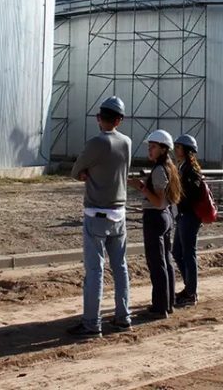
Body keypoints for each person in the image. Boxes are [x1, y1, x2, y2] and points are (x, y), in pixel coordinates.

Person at [67, 96, 132, 338]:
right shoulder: (126, 142)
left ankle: (92, 324)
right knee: (120, 267)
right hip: (120, 214)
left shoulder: (96, 142)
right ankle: (123, 316)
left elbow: (76, 170)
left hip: (96, 214)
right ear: (119, 120)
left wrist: (85, 172)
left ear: (99, 118)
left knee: (95, 271)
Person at [129, 129, 182, 319]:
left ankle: (160, 307)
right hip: (165, 217)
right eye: (149, 147)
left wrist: (141, 187)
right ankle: (168, 303)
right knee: (165, 261)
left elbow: (158, 201)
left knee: (157, 263)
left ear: (163, 149)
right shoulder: (168, 167)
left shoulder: (159, 170)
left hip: (155, 217)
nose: (149, 151)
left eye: (153, 147)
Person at [172, 134, 203, 307]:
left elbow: (192, 195)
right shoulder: (183, 167)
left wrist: (179, 201)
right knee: (177, 252)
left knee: (188, 254)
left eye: (178, 147)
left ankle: (191, 293)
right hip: (184, 216)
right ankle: (189, 287)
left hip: (189, 216)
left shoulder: (191, 171)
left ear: (186, 150)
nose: (176, 150)